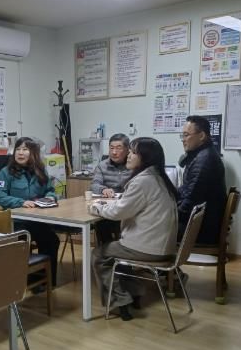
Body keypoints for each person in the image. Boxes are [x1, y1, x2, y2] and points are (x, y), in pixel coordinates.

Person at [89, 137, 178, 321]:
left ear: (146, 157)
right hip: (163, 246)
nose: (128, 156)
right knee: (117, 252)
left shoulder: (142, 181)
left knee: (99, 255)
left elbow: (118, 212)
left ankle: (121, 300)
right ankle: (135, 292)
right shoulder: (158, 177)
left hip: (149, 248)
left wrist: (95, 208)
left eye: (133, 152)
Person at [0, 137, 59, 285]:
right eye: (18, 149)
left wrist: (50, 197)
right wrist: (21, 202)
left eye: (25, 149)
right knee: (23, 242)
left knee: (51, 240)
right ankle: (24, 280)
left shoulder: (40, 171)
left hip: (36, 220)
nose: (20, 153)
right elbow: (0, 197)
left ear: (33, 153)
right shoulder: (6, 172)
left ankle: (46, 281)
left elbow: (50, 190)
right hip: (15, 223)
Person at [178, 115, 226, 245]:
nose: (183, 140)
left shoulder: (203, 161)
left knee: (151, 225)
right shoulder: (203, 155)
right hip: (201, 223)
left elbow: (190, 201)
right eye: (182, 135)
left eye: (186, 135)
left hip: (200, 229)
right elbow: (186, 191)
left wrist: (169, 216)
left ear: (202, 136)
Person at [90, 133, 133, 243]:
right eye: (111, 148)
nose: (114, 152)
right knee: (101, 223)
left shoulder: (133, 165)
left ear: (127, 150)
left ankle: (122, 247)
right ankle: (105, 250)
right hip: (108, 208)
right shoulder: (102, 165)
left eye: (118, 148)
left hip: (127, 208)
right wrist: (103, 189)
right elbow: (94, 185)